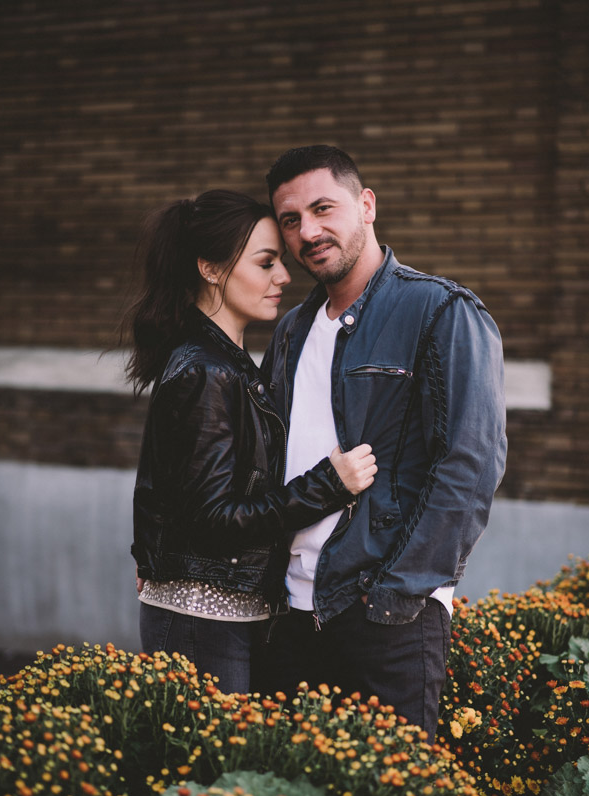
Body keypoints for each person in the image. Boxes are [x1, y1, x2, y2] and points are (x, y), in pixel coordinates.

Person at [260, 146, 507, 739]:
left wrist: (398, 593)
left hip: (385, 615)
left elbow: (470, 467)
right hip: (291, 612)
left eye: (323, 209)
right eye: (290, 220)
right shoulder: (292, 330)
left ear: (366, 205)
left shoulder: (441, 311)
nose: (308, 232)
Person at [125, 189, 377, 694]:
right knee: (209, 772)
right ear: (211, 270)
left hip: (226, 613)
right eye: (266, 263)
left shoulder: (229, 364)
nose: (284, 276)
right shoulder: (206, 372)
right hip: (203, 620)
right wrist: (328, 485)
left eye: (280, 262)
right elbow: (214, 519)